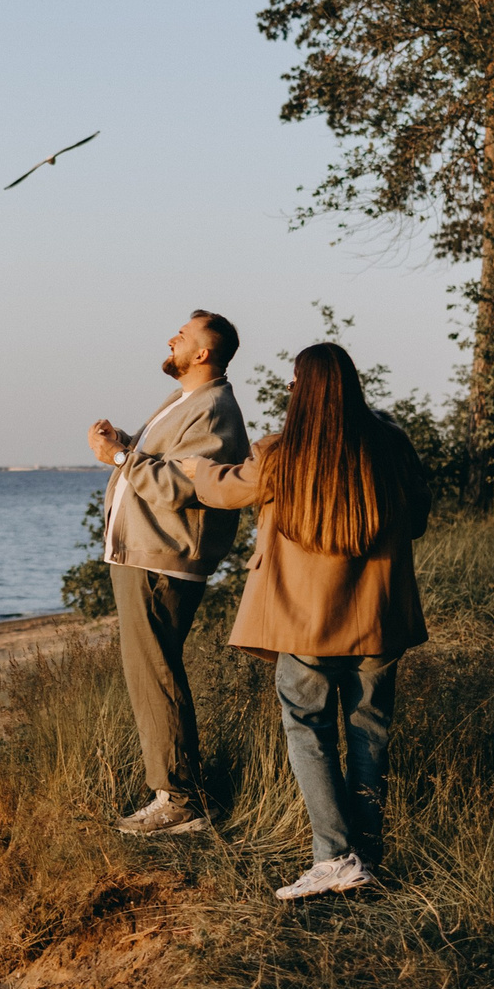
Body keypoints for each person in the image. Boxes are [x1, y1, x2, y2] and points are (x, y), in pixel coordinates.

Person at [177, 342, 430, 899]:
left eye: (295, 381)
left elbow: (220, 489)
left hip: (306, 625)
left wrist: (194, 464)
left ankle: (335, 857)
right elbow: (417, 520)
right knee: (370, 734)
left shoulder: (280, 453)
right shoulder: (391, 446)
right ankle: (367, 861)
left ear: (304, 388)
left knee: (308, 730)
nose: (291, 389)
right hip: (379, 621)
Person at [85, 311, 250, 836]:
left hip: (161, 558)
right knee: (150, 671)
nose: (171, 338)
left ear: (203, 353)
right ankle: (174, 792)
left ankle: (178, 799)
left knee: (154, 673)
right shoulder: (189, 402)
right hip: (144, 554)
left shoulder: (215, 408)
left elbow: (183, 485)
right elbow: (165, 463)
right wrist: (128, 444)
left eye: (183, 335)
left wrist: (116, 456)